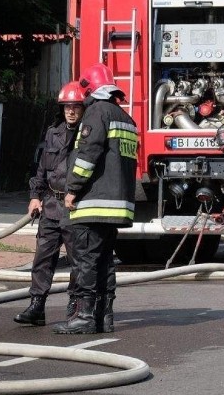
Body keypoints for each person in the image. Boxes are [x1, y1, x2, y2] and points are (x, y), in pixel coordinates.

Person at [53, 63, 138, 335]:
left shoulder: (96, 113)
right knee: (105, 261)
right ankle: (104, 316)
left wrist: (72, 190)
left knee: (87, 260)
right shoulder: (126, 118)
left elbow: (87, 156)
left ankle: (85, 317)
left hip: (93, 202)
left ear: (90, 89)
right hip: (118, 204)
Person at [14, 81, 86, 326]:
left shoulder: (88, 136)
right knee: (42, 259)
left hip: (75, 207)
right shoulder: (53, 133)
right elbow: (42, 169)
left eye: (76, 106)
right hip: (51, 205)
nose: (71, 111)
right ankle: (37, 306)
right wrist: (35, 196)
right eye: (67, 106)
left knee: (78, 261)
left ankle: (75, 305)